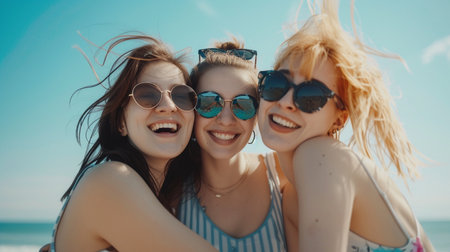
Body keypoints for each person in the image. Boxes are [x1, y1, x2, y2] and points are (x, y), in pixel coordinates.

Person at [256, 1, 435, 251]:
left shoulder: (321, 155)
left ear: (339, 119)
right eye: (276, 84)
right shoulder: (291, 199)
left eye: (310, 96)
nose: (286, 102)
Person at [45, 34, 217, 251]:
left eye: (182, 96)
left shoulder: (163, 199)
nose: (168, 106)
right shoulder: (111, 180)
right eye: (146, 94)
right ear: (121, 123)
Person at [177, 39, 287, 251]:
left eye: (243, 104)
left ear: (256, 114)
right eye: (209, 102)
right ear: (191, 109)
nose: (226, 120)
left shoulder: (282, 176)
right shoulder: (170, 194)